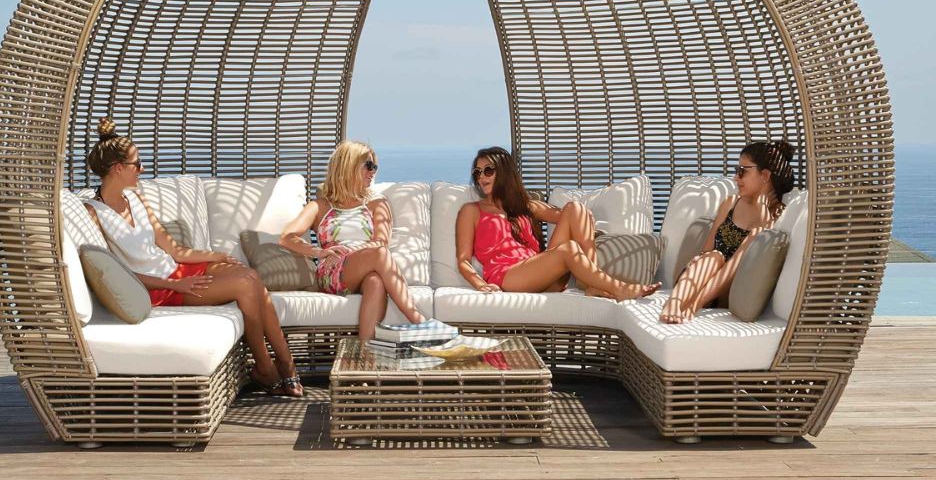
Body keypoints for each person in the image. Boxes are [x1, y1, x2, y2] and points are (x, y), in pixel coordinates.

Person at [82, 119, 302, 397]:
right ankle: (269, 367)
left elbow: (174, 250)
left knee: (250, 275)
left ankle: (282, 363)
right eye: (137, 164)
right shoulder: (93, 213)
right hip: (160, 290)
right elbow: (116, 274)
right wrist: (176, 286)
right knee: (246, 284)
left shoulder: (136, 200)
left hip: (177, 271)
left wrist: (216, 255)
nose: (142, 169)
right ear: (118, 169)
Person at [455, 146, 660, 300]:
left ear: (504, 173)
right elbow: (463, 260)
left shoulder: (525, 206)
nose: (481, 177)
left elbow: (575, 215)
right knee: (569, 248)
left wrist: (584, 221)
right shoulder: (472, 210)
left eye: (488, 170)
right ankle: (617, 287)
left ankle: (591, 282)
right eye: (477, 172)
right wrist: (481, 285)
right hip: (508, 276)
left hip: (542, 273)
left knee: (576, 208)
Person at [280, 140, 427, 339]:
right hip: (332, 271)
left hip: (364, 265)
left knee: (375, 281)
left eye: (375, 166)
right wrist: (318, 251)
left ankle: (364, 353)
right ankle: (419, 321)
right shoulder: (320, 206)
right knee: (379, 255)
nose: (373, 171)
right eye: (368, 165)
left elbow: (381, 242)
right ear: (348, 166)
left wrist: (350, 251)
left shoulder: (376, 203)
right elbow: (287, 238)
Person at [659, 140, 795, 324]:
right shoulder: (730, 203)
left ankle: (688, 305)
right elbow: (707, 249)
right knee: (713, 256)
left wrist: (694, 305)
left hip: (726, 292)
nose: (736, 178)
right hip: (695, 281)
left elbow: (735, 266)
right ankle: (673, 304)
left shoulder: (774, 217)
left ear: (765, 175)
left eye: (742, 171)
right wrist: (700, 260)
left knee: (732, 248)